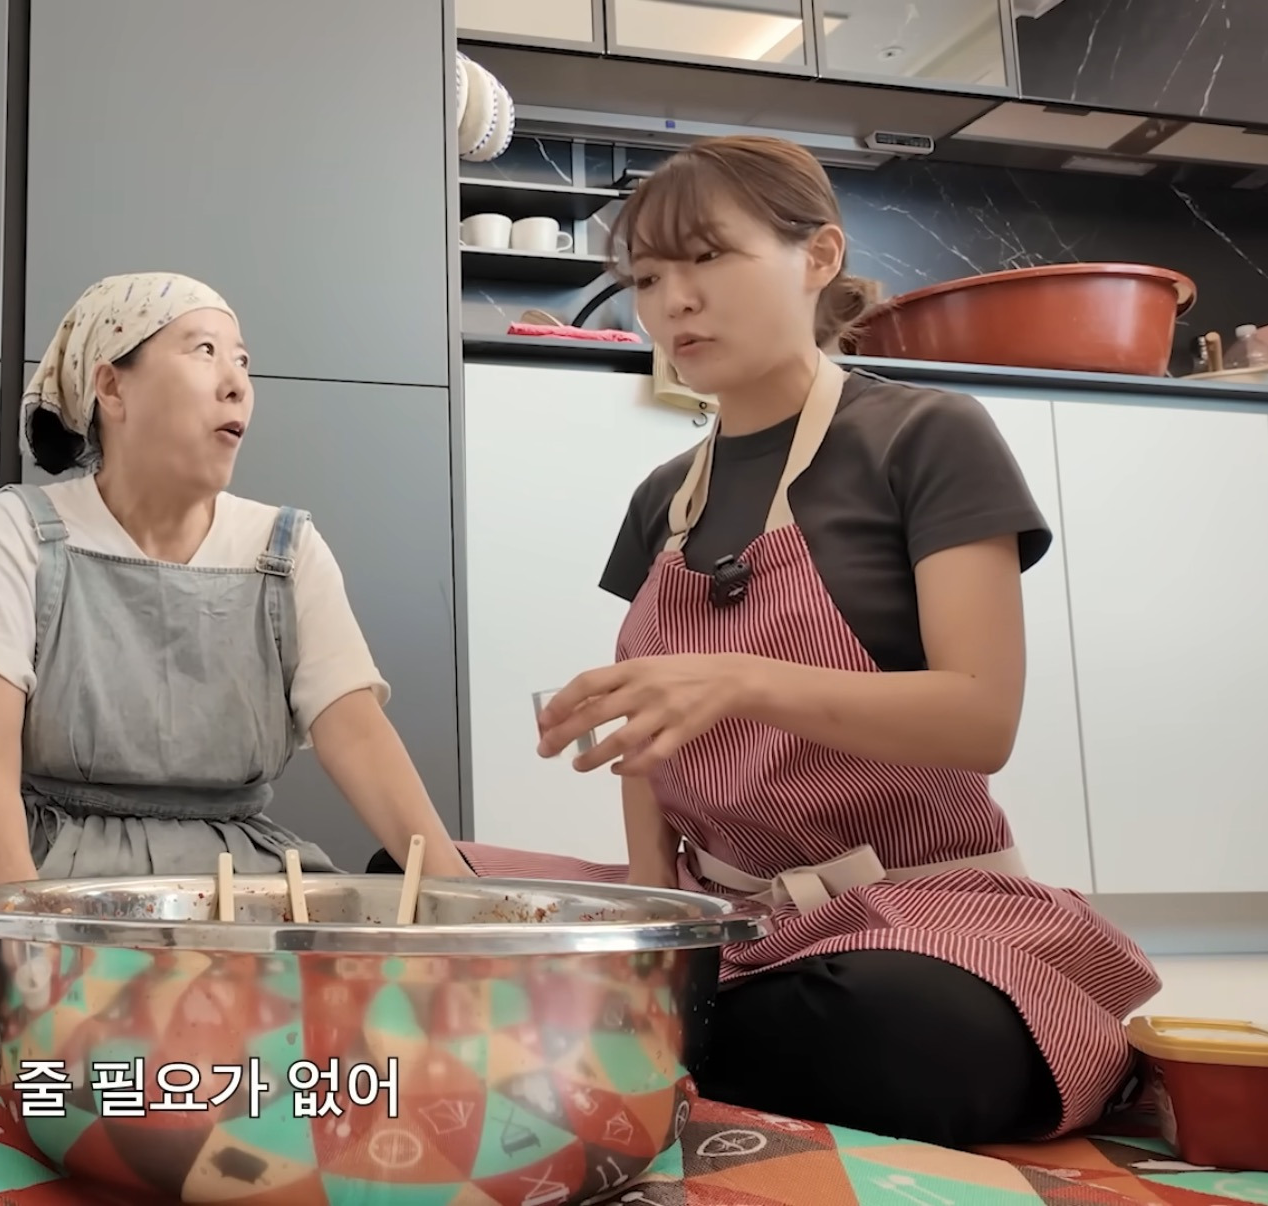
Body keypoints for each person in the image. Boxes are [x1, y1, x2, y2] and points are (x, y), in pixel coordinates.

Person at [448, 136, 1160, 1148]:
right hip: (721, 920)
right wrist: (654, 918)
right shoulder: (662, 499)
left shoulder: (925, 435)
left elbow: (978, 718)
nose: (673, 301)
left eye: (708, 258)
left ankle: (612, 1037)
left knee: (906, 1031)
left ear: (818, 256)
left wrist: (741, 681)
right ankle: (655, 1018)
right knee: (417, 876)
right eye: (646, 278)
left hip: (907, 917)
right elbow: (648, 728)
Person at [0, 271, 470, 1117]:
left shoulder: (287, 549)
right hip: (49, 874)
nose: (237, 383)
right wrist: (29, 942)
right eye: (204, 350)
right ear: (110, 385)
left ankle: (113, 1072)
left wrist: (461, 903)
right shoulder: (18, 531)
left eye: (243, 361)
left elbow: (356, 733)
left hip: (243, 882)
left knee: (380, 1000)